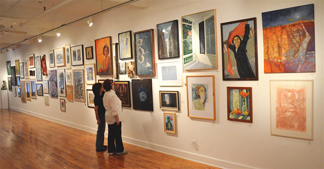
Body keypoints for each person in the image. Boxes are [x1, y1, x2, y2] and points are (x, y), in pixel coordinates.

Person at [102, 79, 127, 156]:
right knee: (117, 133)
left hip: (108, 115)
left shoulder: (106, 94)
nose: (113, 84)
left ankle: (111, 150)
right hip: (114, 116)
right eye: (111, 83)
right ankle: (119, 150)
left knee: (111, 133)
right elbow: (114, 108)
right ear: (110, 85)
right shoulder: (112, 95)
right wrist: (117, 118)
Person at [92, 83, 107, 152]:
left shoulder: (102, 94)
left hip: (103, 114)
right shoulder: (97, 98)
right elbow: (96, 109)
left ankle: (101, 144)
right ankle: (99, 146)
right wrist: (98, 119)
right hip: (100, 115)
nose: (102, 87)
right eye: (101, 87)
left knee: (102, 130)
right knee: (101, 130)